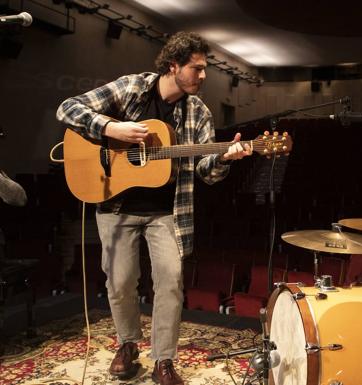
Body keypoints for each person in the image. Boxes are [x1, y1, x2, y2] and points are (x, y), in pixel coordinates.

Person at [56, 32, 252, 385]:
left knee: (170, 283)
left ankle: (164, 360)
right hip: (116, 206)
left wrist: (224, 158)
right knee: (119, 283)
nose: (203, 76)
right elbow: (67, 108)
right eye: (197, 68)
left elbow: (207, 173)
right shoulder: (133, 88)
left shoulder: (198, 112)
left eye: (205, 69)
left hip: (168, 213)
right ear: (173, 65)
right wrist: (112, 127)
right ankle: (128, 344)